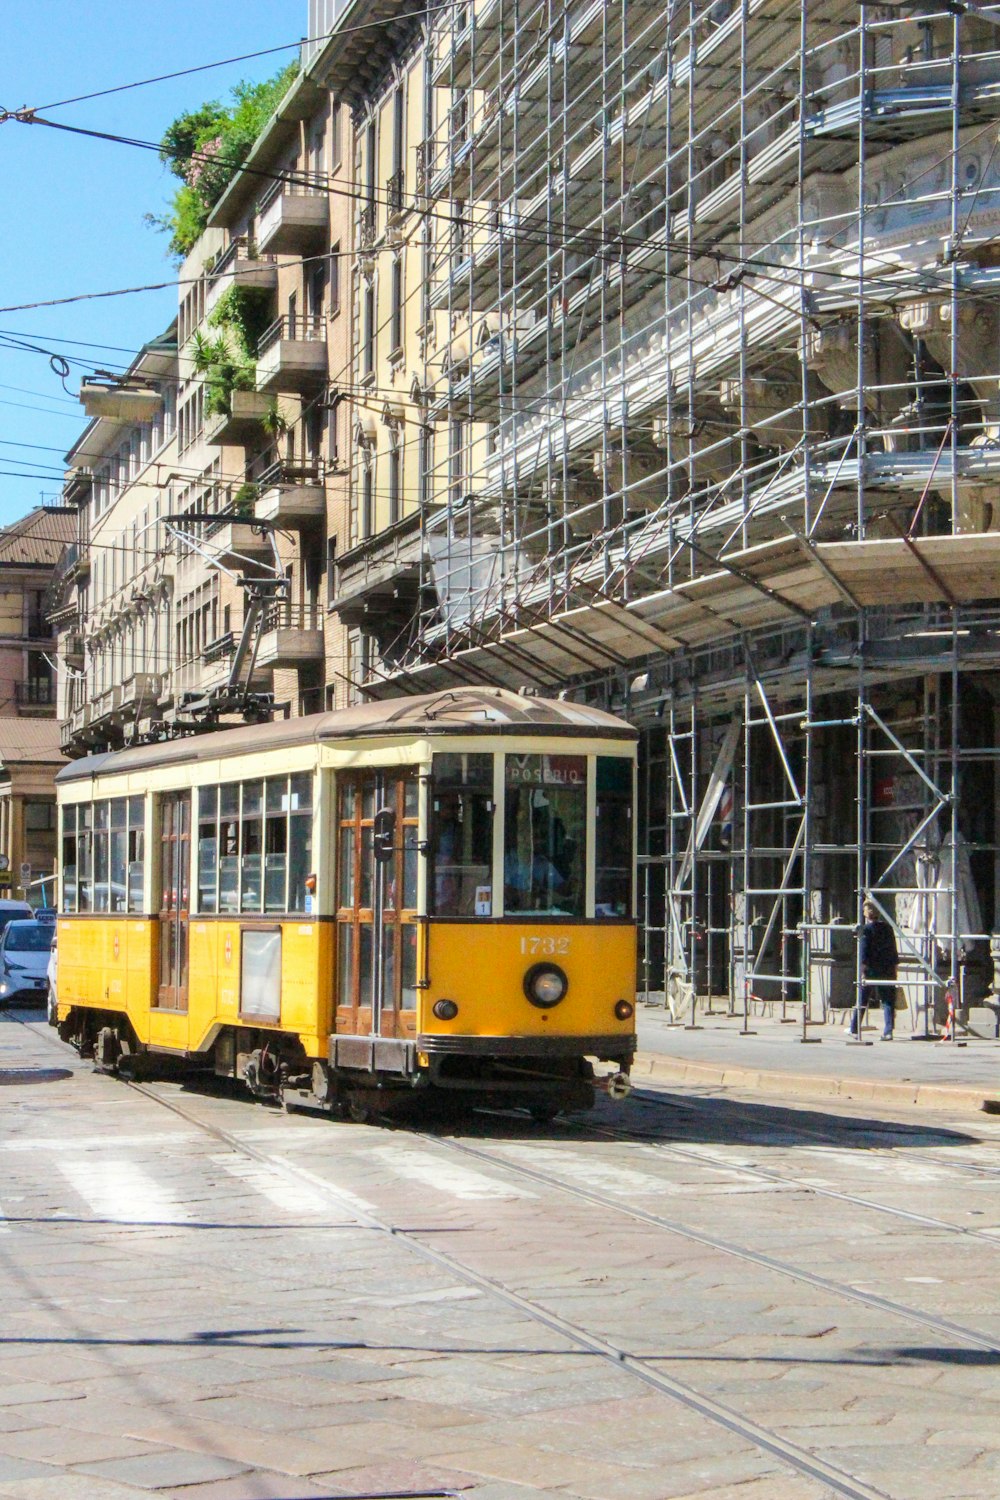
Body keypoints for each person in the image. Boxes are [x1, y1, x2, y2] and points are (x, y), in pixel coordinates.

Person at [851, 899, 899, 1040]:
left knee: (863, 998)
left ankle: (854, 1028)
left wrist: (862, 969)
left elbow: (864, 951)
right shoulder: (888, 928)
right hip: (887, 968)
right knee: (887, 1000)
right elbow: (893, 948)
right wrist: (895, 966)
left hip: (871, 969)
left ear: (866, 914)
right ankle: (888, 1031)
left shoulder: (866, 929)